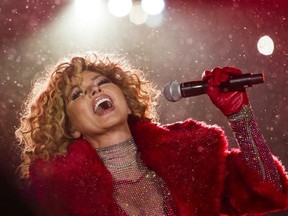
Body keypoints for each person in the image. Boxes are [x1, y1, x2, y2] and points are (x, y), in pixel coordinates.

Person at [15, 52, 288, 216]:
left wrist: (240, 117)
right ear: (70, 126)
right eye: (78, 94)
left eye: (102, 82)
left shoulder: (191, 160)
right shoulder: (59, 198)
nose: (95, 91)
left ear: (125, 96)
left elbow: (270, 190)